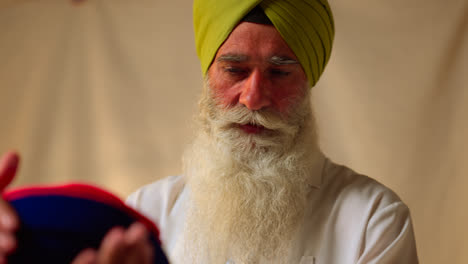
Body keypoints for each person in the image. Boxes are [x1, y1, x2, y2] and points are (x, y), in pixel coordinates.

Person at [0, 0, 418, 263]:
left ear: (309, 81)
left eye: (279, 73)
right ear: (207, 74)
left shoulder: (373, 220)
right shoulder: (145, 214)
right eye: (235, 70)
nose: (253, 98)